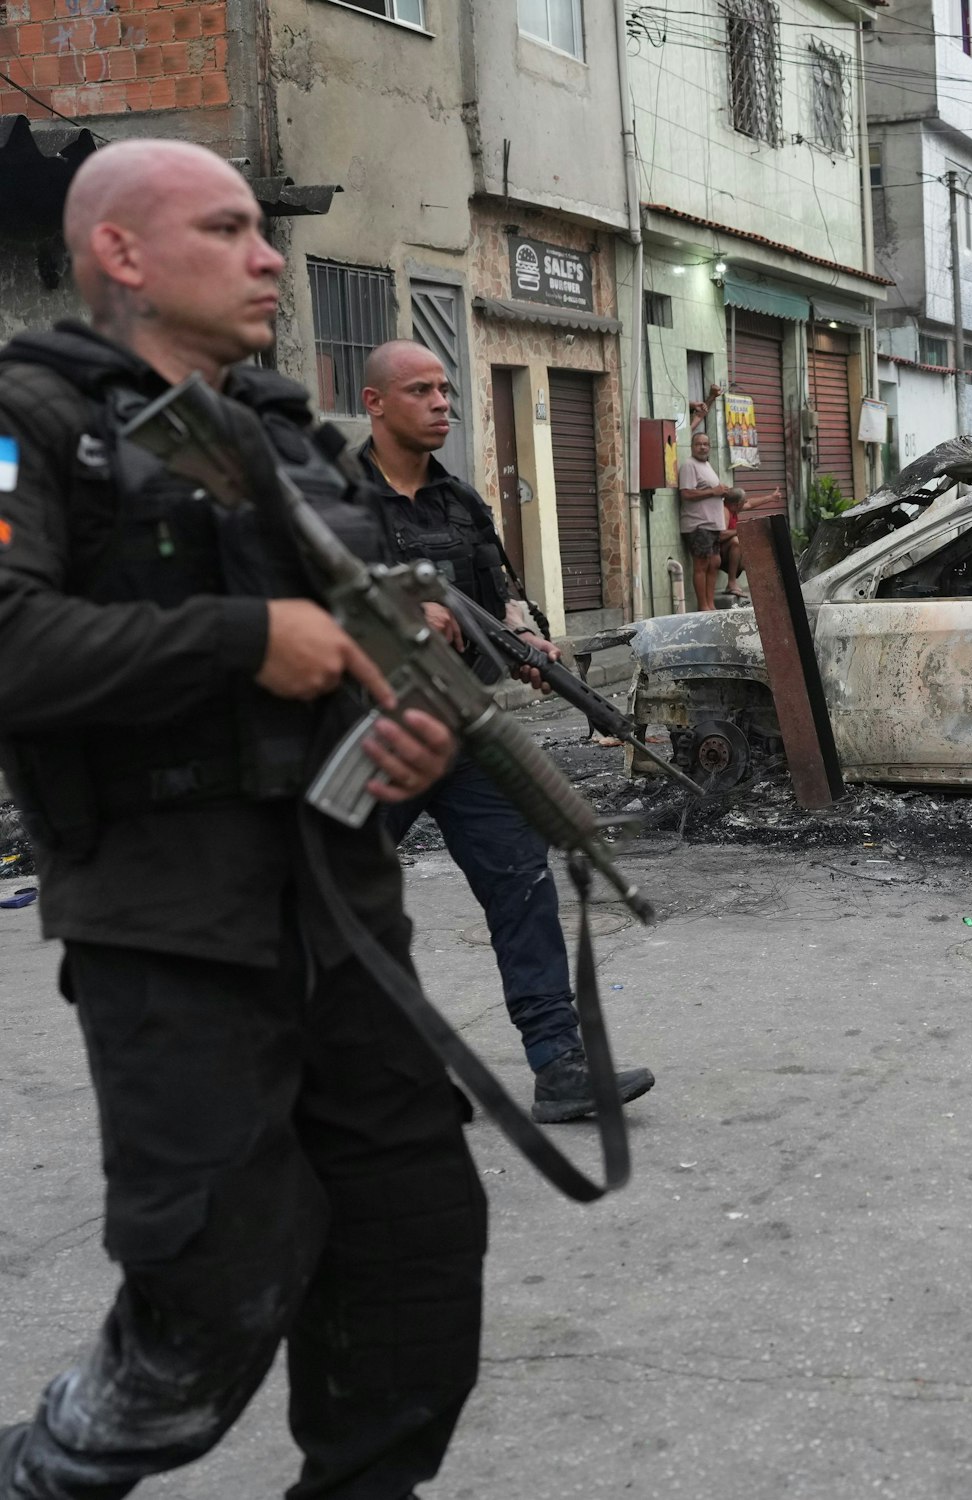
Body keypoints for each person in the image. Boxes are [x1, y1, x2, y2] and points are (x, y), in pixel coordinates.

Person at [0, 140, 480, 1499]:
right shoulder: (29, 420)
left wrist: (410, 728)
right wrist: (235, 640)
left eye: (264, 230)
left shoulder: (286, 435)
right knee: (212, 1289)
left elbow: (357, 644)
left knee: (416, 1266)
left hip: (343, 920)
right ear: (123, 255)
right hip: (170, 931)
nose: (269, 255)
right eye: (228, 229)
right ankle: (47, 1473)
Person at [356, 340, 655, 1124]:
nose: (441, 403)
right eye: (420, 389)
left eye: (446, 389)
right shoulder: (333, 505)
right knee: (336, 902)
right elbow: (299, 609)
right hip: (372, 732)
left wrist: (531, 646)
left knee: (522, 890)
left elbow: (505, 595)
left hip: (466, 732)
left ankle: (559, 1065)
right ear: (375, 402)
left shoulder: (460, 503)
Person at [677, 430, 741, 611]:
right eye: (699, 444)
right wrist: (714, 491)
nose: (702, 447)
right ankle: (703, 606)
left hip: (713, 525)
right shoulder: (689, 465)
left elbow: (713, 491)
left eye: (706, 444)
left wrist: (721, 491)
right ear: (692, 447)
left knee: (715, 563)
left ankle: (710, 605)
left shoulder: (706, 465)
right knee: (702, 564)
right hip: (699, 524)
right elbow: (686, 493)